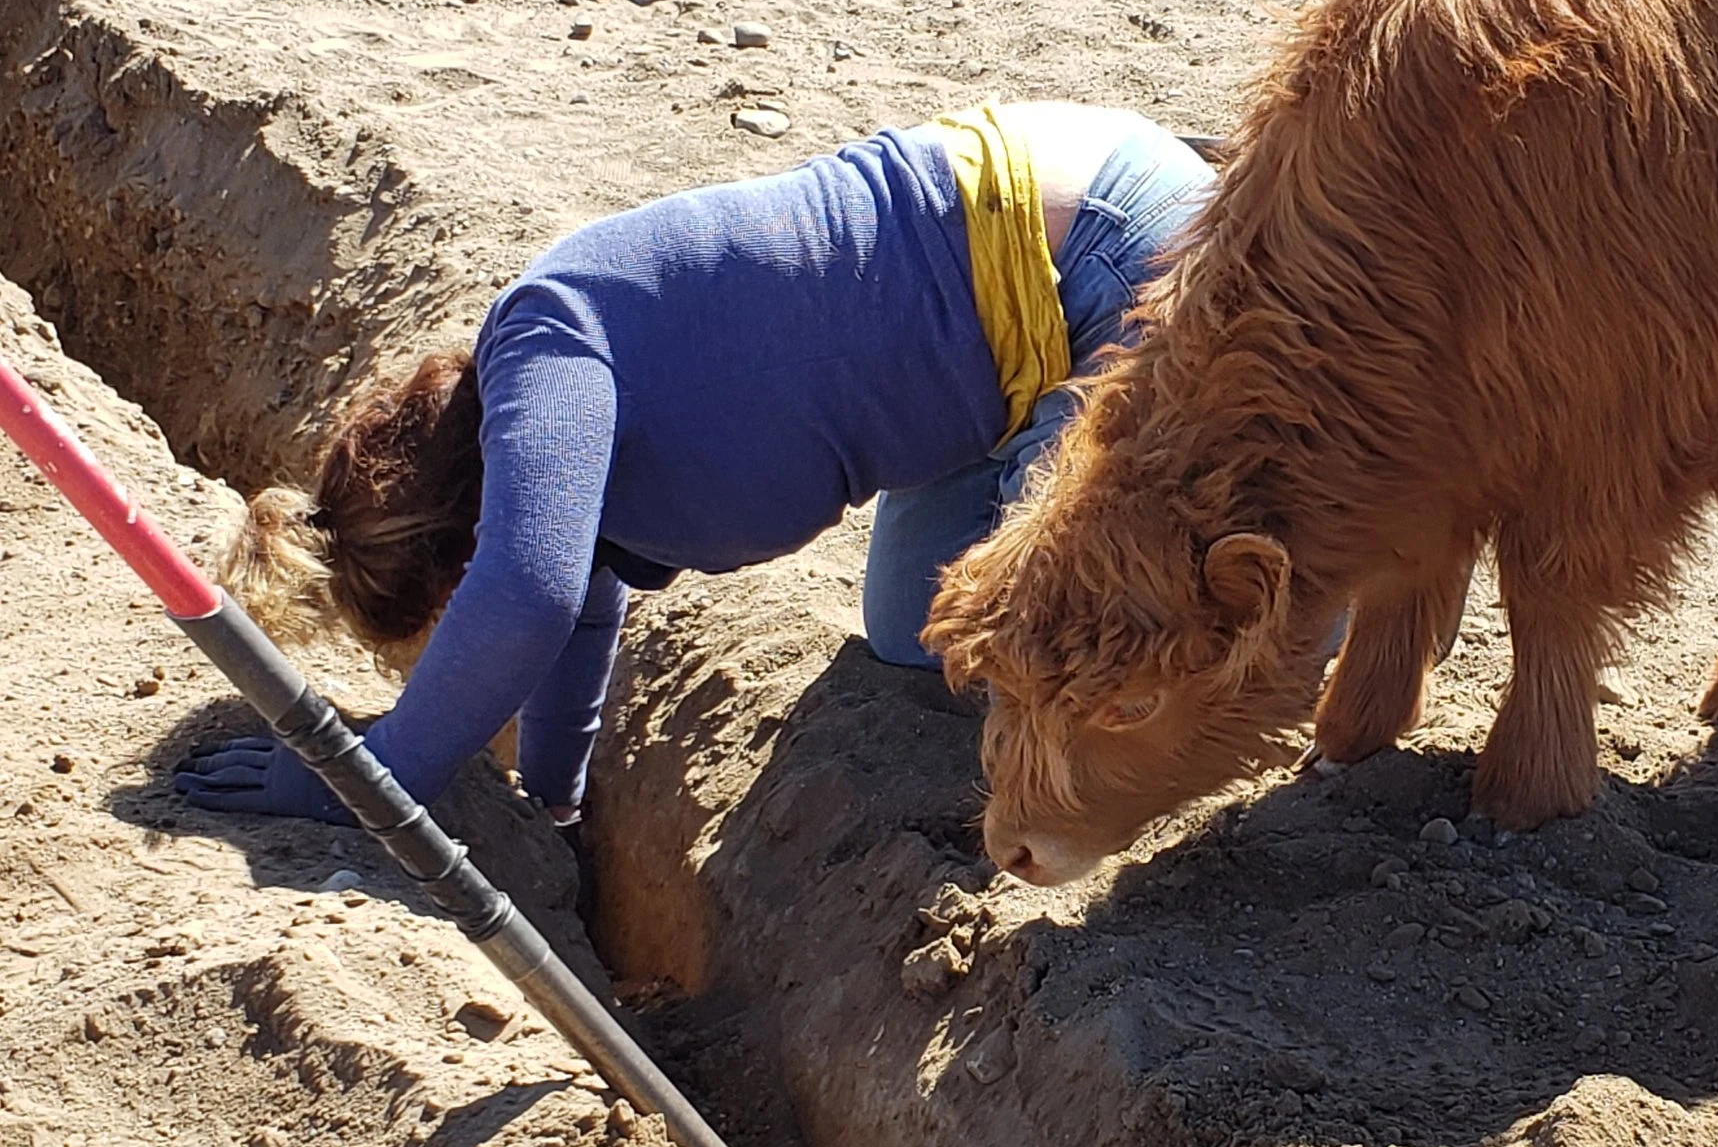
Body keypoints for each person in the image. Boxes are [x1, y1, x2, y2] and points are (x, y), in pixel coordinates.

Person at [172, 102, 1217, 839]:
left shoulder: (546, 342)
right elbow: (576, 602)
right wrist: (555, 806)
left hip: (1105, 255)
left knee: (1066, 648)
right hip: (998, 372)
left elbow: (528, 597)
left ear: (457, 549)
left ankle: (1312, 622)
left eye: (442, 635)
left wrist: (375, 776)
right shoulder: (555, 442)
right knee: (917, 643)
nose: (464, 677)